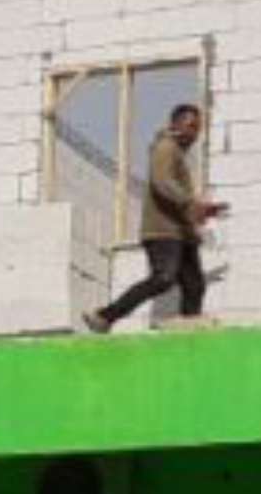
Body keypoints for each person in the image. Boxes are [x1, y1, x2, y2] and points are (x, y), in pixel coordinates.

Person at [85, 103, 226, 332]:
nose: (194, 133)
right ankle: (104, 316)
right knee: (163, 278)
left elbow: (175, 194)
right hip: (163, 231)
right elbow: (162, 182)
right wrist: (192, 203)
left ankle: (189, 328)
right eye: (190, 126)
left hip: (181, 232)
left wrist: (201, 212)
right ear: (175, 124)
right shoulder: (165, 147)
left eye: (197, 128)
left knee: (194, 284)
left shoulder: (177, 154)